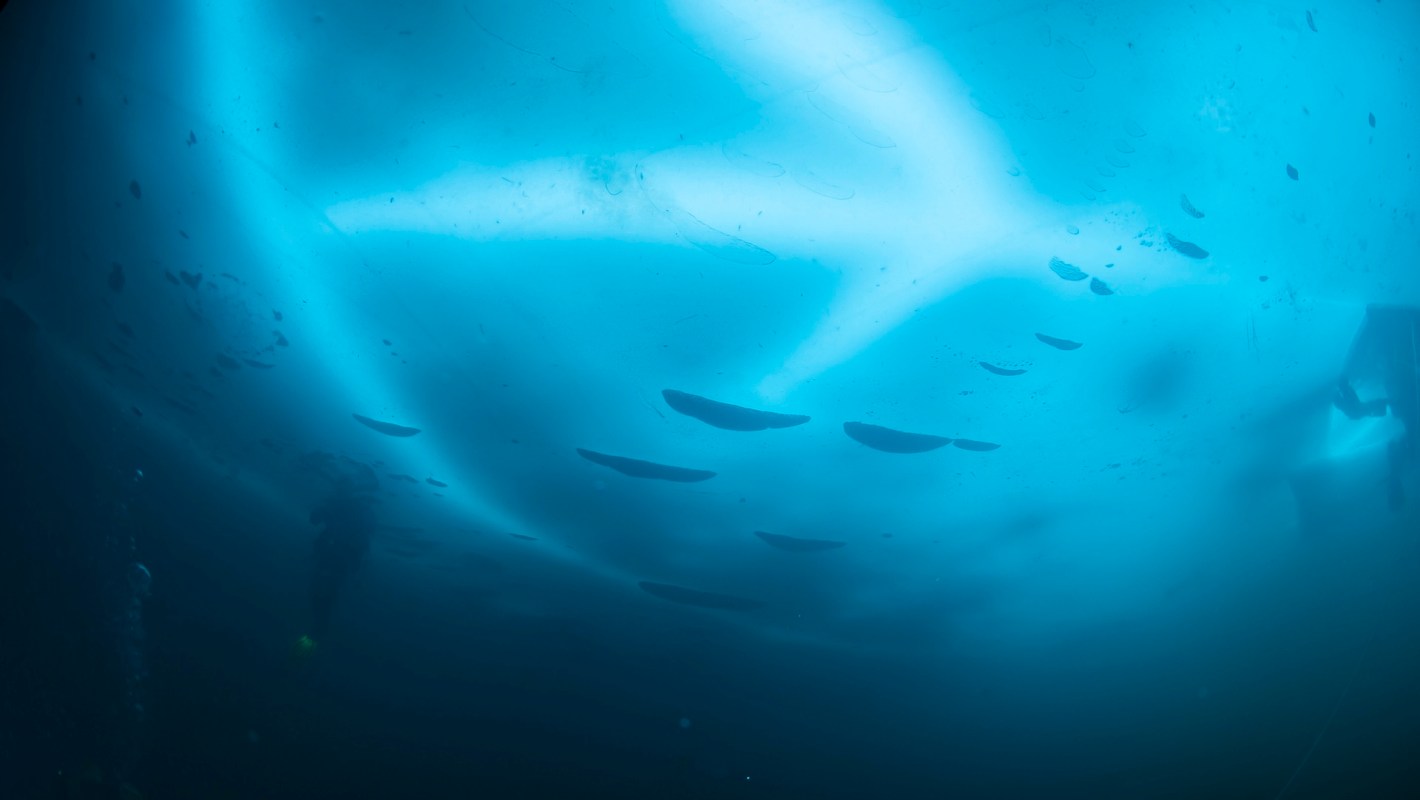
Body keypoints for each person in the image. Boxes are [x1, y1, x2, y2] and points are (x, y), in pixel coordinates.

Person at [1333, 304, 1420, 510]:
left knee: (1397, 366)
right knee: (1398, 365)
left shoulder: (1412, 453)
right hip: (1406, 397)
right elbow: (1396, 446)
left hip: (1405, 398)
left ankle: (1390, 323)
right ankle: (1393, 323)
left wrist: (1394, 477)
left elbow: (1395, 446)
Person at [297, 479, 375, 654]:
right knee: (320, 590)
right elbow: (314, 519)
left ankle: (317, 633)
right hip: (333, 556)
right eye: (338, 488)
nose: (339, 491)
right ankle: (317, 631)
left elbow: (314, 519)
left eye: (341, 489)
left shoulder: (354, 507)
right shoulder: (344, 506)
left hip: (339, 557)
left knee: (325, 590)